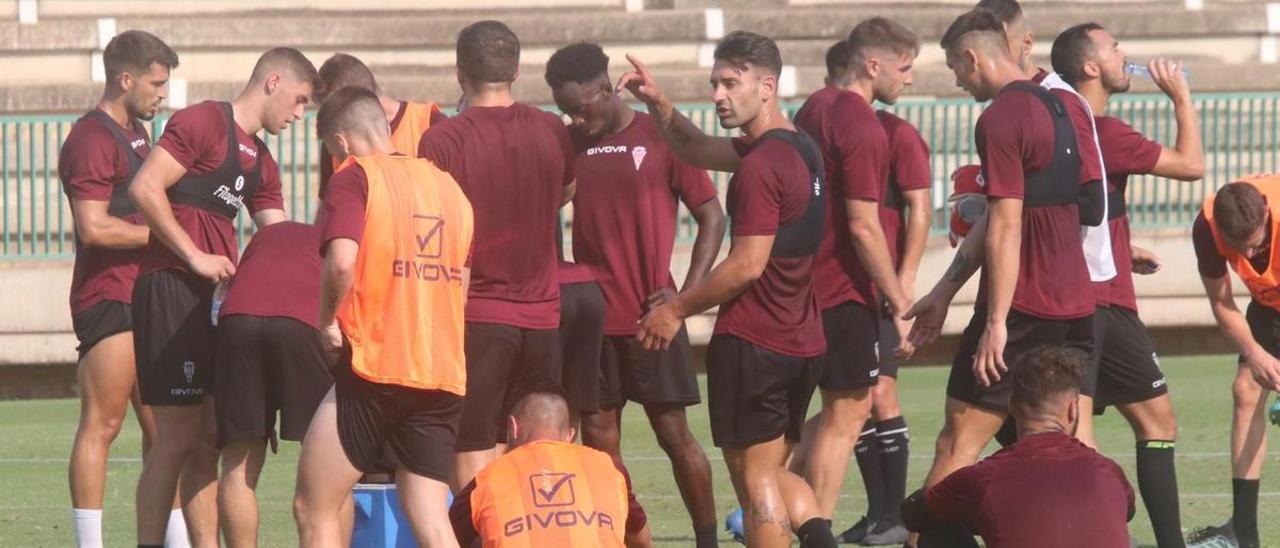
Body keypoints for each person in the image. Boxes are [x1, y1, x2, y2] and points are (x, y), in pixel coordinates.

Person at [622, 31, 837, 547]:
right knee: (775, 471)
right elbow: (694, 149)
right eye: (714, 83)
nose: (718, 93)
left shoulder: (760, 166)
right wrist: (659, 102)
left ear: (767, 86)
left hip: (757, 343)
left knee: (754, 481)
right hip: (802, 341)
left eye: (730, 83)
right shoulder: (798, 145)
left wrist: (676, 309)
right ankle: (819, 538)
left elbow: (746, 265)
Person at [902, 10, 1101, 545]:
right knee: (1073, 445)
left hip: (1022, 311)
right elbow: (1009, 212)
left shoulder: (999, 118)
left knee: (957, 445)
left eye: (955, 68)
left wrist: (995, 323)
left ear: (972, 57)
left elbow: (1008, 227)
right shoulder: (1063, 105)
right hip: (1077, 307)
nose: (958, 81)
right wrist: (943, 292)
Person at [128, 46, 315, 547]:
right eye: (299, 101)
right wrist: (194, 255)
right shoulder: (204, 121)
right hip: (170, 285)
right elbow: (146, 188)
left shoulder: (264, 165)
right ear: (273, 82)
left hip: (216, 305)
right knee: (176, 439)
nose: (300, 115)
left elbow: (277, 240)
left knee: (209, 438)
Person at [544, 41, 725, 547]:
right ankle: (629, 538)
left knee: (674, 436)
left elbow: (712, 214)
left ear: (606, 90)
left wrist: (684, 296)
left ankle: (706, 540)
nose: (575, 120)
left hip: (653, 321)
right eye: (565, 112)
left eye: (580, 109)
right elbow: (547, 213)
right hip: (591, 320)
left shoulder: (662, 138)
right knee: (601, 443)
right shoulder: (567, 145)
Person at [292, 86, 474, 547]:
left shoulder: (355, 178)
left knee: (314, 507)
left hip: (376, 368)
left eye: (334, 150)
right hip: (441, 372)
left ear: (343, 142)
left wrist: (326, 321)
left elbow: (341, 263)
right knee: (430, 516)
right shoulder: (450, 188)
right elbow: (463, 283)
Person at [1051, 22, 1204, 548]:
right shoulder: (1100, 131)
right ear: (1091, 67)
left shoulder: (1083, 129)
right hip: (1087, 300)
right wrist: (1181, 97)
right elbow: (1193, 165)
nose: (1124, 54)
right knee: (1074, 429)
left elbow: (1084, 209)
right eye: (1115, 48)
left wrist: (1122, 245)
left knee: (1158, 419)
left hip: (1113, 296)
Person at [417, 20, 577, 488]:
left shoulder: (443, 140)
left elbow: (432, 222)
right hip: (544, 313)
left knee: (472, 442)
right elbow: (566, 190)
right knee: (538, 441)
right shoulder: (552, 129)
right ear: (517, 69)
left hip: (477, 314)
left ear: (459, 72)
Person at [787, 20, 916, 541]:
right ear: (873, 64)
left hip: (802, 285)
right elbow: (863, 225)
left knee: (821, 417)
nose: (908, 80)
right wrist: (900, 300)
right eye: (904, 68)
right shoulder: (862, 124)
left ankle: (774, 511)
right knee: (846, 417)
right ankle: (817, 528)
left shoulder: (812, 107)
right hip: (842, 287)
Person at [58, 30, 185, 548]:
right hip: (110, 297)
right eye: (156, 83)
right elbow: (94, 227)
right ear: (125, 79)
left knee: (166, 433)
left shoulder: (137, 132)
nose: (163, 94)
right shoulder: (91, 138)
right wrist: (169, 238)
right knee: (103, 424)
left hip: (148, 295)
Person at [900, 345, 1136, 548]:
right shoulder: (1109, 471)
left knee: (937, 529)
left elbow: (913, 514)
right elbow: (1127, 512)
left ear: (1011, 405)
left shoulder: (984, 477)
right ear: (1074, 409)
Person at [213, 219, 334, 546]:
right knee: (332, 474)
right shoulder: (341, 238)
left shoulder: (269, 234)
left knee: (238, 467)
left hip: (236, 321)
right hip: (302, 322)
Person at [1187, 176, 1280, 548]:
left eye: (1254, 247)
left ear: (1268, 214)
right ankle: (1245, 532)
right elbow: (1222, 303)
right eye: (1236, 249)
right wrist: (1257, 354)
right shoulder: (1207, 229)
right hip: (1269, 304)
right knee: (1245, 390)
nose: (1246, 258)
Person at [450, 382, 652, 547]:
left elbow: (444, 536)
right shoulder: (609, 468)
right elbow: (641, 539)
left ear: (513, 427)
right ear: (570, 435)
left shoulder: (488, 478)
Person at [315, 53, 446, 191]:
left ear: (353, 97)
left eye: (331, 110)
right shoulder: (335, 140)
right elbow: (328, 204)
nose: (328, 119)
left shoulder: (429, 122)